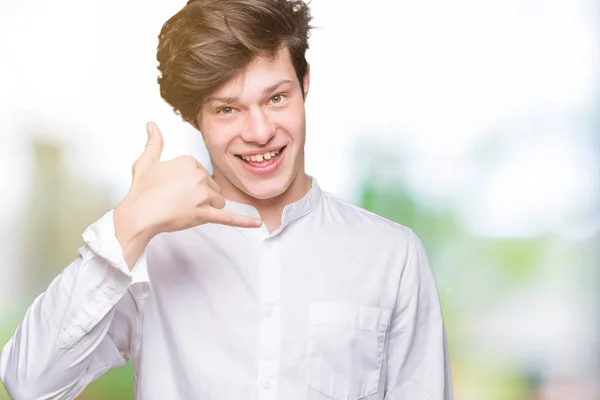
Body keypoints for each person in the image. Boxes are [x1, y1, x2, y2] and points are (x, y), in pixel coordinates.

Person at [0, 0, 453, 398]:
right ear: (195, 118)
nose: (259, 133)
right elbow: (30, 384)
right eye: (228, 109)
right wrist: (128, 224)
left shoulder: (391, 256)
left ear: (304, 84)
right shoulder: (149, 251)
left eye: (276, 98)